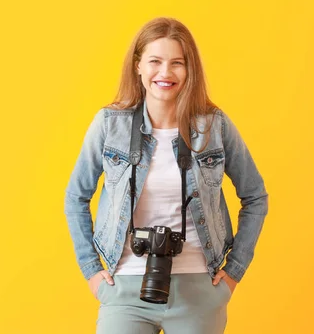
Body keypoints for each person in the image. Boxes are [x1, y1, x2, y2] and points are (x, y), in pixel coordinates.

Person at [64, 17, 268, 334]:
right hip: (125, 287)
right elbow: (76, 196)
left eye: (177, 63)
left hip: (198, 290)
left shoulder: (214, 126)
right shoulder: (110, 124)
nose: (165, 73)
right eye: (155, 61)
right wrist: (92, 272)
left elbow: (255, 196)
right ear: (138, 66)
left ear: (190, 70)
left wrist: (232, 274)